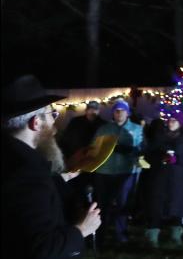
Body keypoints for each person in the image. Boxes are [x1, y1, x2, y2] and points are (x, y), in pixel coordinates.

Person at [2, 75, 101, 258]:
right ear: (36, 123)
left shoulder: (15, 161)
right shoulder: (26, 174)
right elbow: (41, 249)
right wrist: (81, 229)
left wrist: (61, 177)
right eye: (52, 114)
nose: (54, 124)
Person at [142, 112, 183, 247]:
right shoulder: (159, 135)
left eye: (174, 120)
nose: (171, 122)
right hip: (159, 177)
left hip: (179, 178)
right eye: (170, 120)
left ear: (180, 123)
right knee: (156, 205)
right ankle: (153, 235)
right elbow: (148, 154)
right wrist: (160, 158)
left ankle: (176, 234)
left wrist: (179, 159)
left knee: (178, 205)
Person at [93, 99, 143, 244]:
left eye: (122, 110)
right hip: (104, 171)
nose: (119, 113)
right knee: (102, 205)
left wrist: (133, 151)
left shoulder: (136, 129)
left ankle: (121, 234)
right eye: (116, 110)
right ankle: (100, 235)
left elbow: (141, 148)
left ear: (127, 113)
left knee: (123, 204)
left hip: (126, 172)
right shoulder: (104, 129)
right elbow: (94, 146)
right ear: (113, 113)